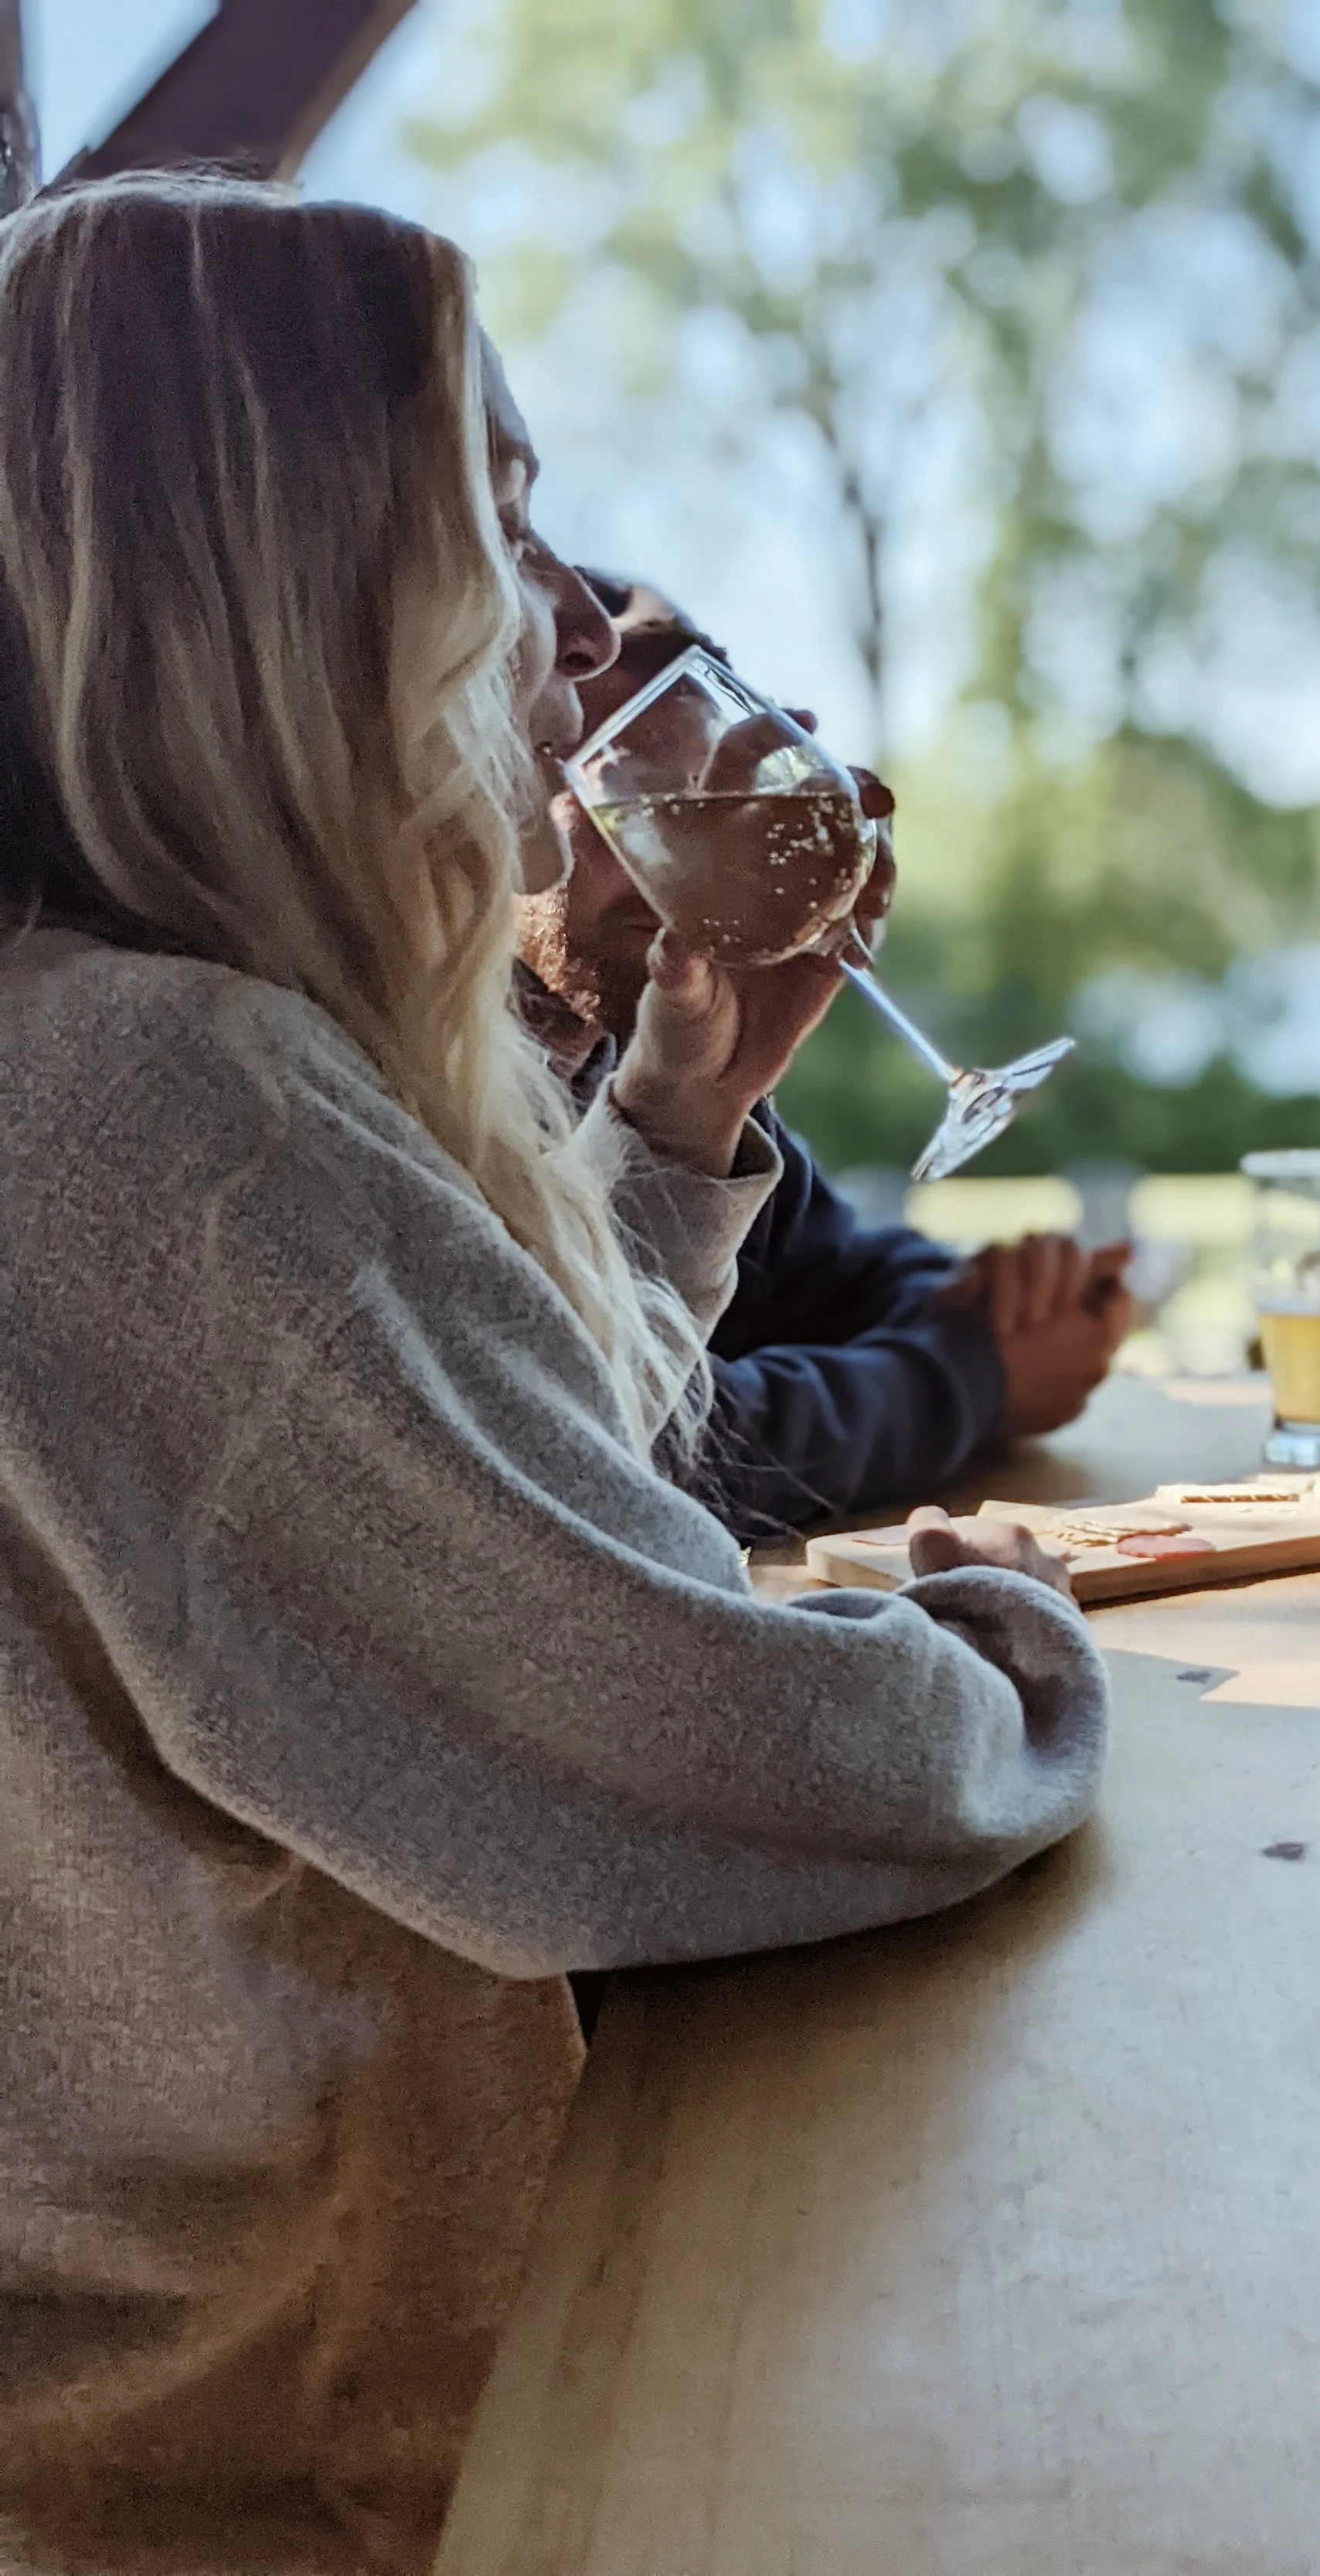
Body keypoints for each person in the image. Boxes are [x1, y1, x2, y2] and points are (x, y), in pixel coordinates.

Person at [0, 175, 1107, 2576]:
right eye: (493, 518)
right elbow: (709, 1737)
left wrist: (687, 1107)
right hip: (273, 2470)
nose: (573, 618)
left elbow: (471, 1527)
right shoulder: (165, 1116)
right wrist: (997, 1630)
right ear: (284, 581)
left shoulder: (109, 1053)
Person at [518, 577, 1135, 1537]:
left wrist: (984, 1308)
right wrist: (967, 1379)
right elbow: (636, 1446)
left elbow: (836, 1273)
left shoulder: (631, 1047)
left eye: (688, 786)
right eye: (611, 783)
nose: (663, 845)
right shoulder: (420, 1084)